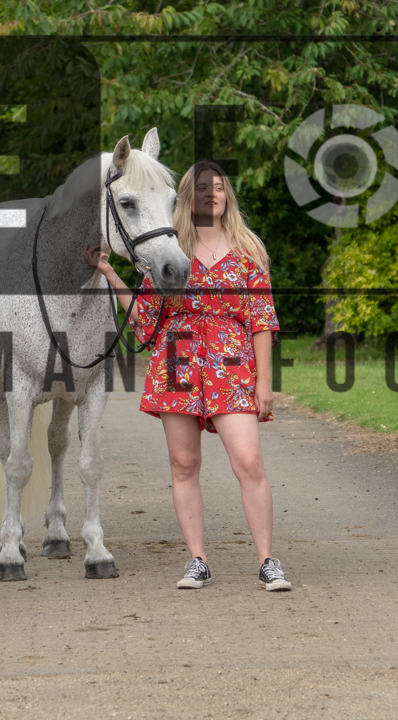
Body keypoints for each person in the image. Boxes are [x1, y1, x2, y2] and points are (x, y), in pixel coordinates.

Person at [87, 160, 290, 591]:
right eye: (201, 188)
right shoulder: (170, 249)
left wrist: (264, 382)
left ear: (226, 196)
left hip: (230, 364)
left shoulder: (249, 251)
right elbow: (145, 317)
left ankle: (267, 561)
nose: (210, 195)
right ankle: (197, 560)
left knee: (249, 463)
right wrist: (109, 273)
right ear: (186, 198)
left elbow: (261, 319)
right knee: (183, 464)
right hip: (176, 361)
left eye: (217, 188)